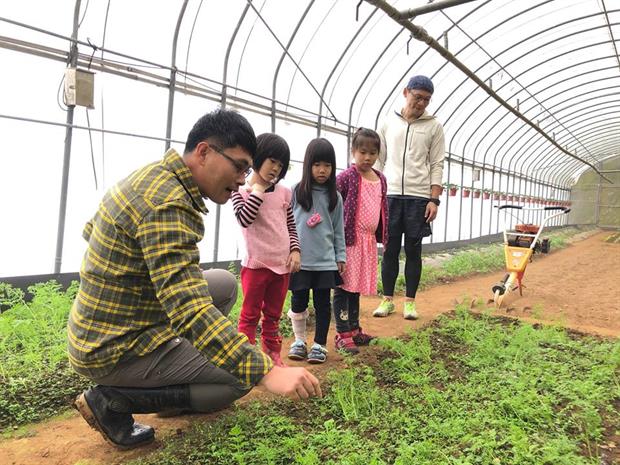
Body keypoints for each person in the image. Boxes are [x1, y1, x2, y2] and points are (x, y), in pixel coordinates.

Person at [67, 109, 321, 450]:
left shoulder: (154, 177)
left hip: (103, 325)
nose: (243, 179)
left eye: (248, 170)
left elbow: (89, 230)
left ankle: (173, 380)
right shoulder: (167, 204)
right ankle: (113, 399)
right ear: (204, 152)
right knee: (238, 377)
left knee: (223, 284)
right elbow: (190, 310)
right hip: (113, 348)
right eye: (240, 166)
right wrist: (267, 371)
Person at [373, 75, 445, 320]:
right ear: (406, 92)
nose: (421, 103)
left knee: (414, 251)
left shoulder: (434, 126)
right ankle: (387, 300)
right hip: (390, 194)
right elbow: (379, 160)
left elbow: (436, 163)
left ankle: (410, 303)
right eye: (417, 97)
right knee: (390, 250)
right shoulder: (387, 123)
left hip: (418, 197)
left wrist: (433, 200)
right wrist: (375, 192)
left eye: (426, 100)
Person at [231, 133, 301, 367]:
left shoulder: (284, 193)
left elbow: (290, 224)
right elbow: (244, 219)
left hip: (281, 265)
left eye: (281, 165)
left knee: (273, 314)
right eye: (272, 161)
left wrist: (295, 250)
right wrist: (258, 191)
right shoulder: (240, 191)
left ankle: (272, 353)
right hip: (256, 265)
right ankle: (247, 358)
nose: (275, 169)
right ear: (257, 158)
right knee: (249, 314)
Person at [287, 138, 346, 364]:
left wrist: (340, 255)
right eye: (317, 164)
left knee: (323, 303)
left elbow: (338, 229)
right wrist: (289, 251)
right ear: (308, 165)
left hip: (325, 262)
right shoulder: (296, 192)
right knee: (298, 301)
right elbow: (287, 225)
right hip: (300, 261)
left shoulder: (335, 197)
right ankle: (299, 341)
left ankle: (319, 344)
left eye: (328, 165)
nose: (322, 170)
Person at [333, 128, 388, 354]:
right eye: (363, 152)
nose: (367, 157)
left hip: (367, 242)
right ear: (353, 151)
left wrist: (383, 235)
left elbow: (383, 208)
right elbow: (332, 201)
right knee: (343, 287)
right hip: (349, 240)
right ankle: (342, 333)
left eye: (373, 153)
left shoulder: (380, 178)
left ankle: (355, 330)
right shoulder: (346, 177)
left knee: (355, 288)